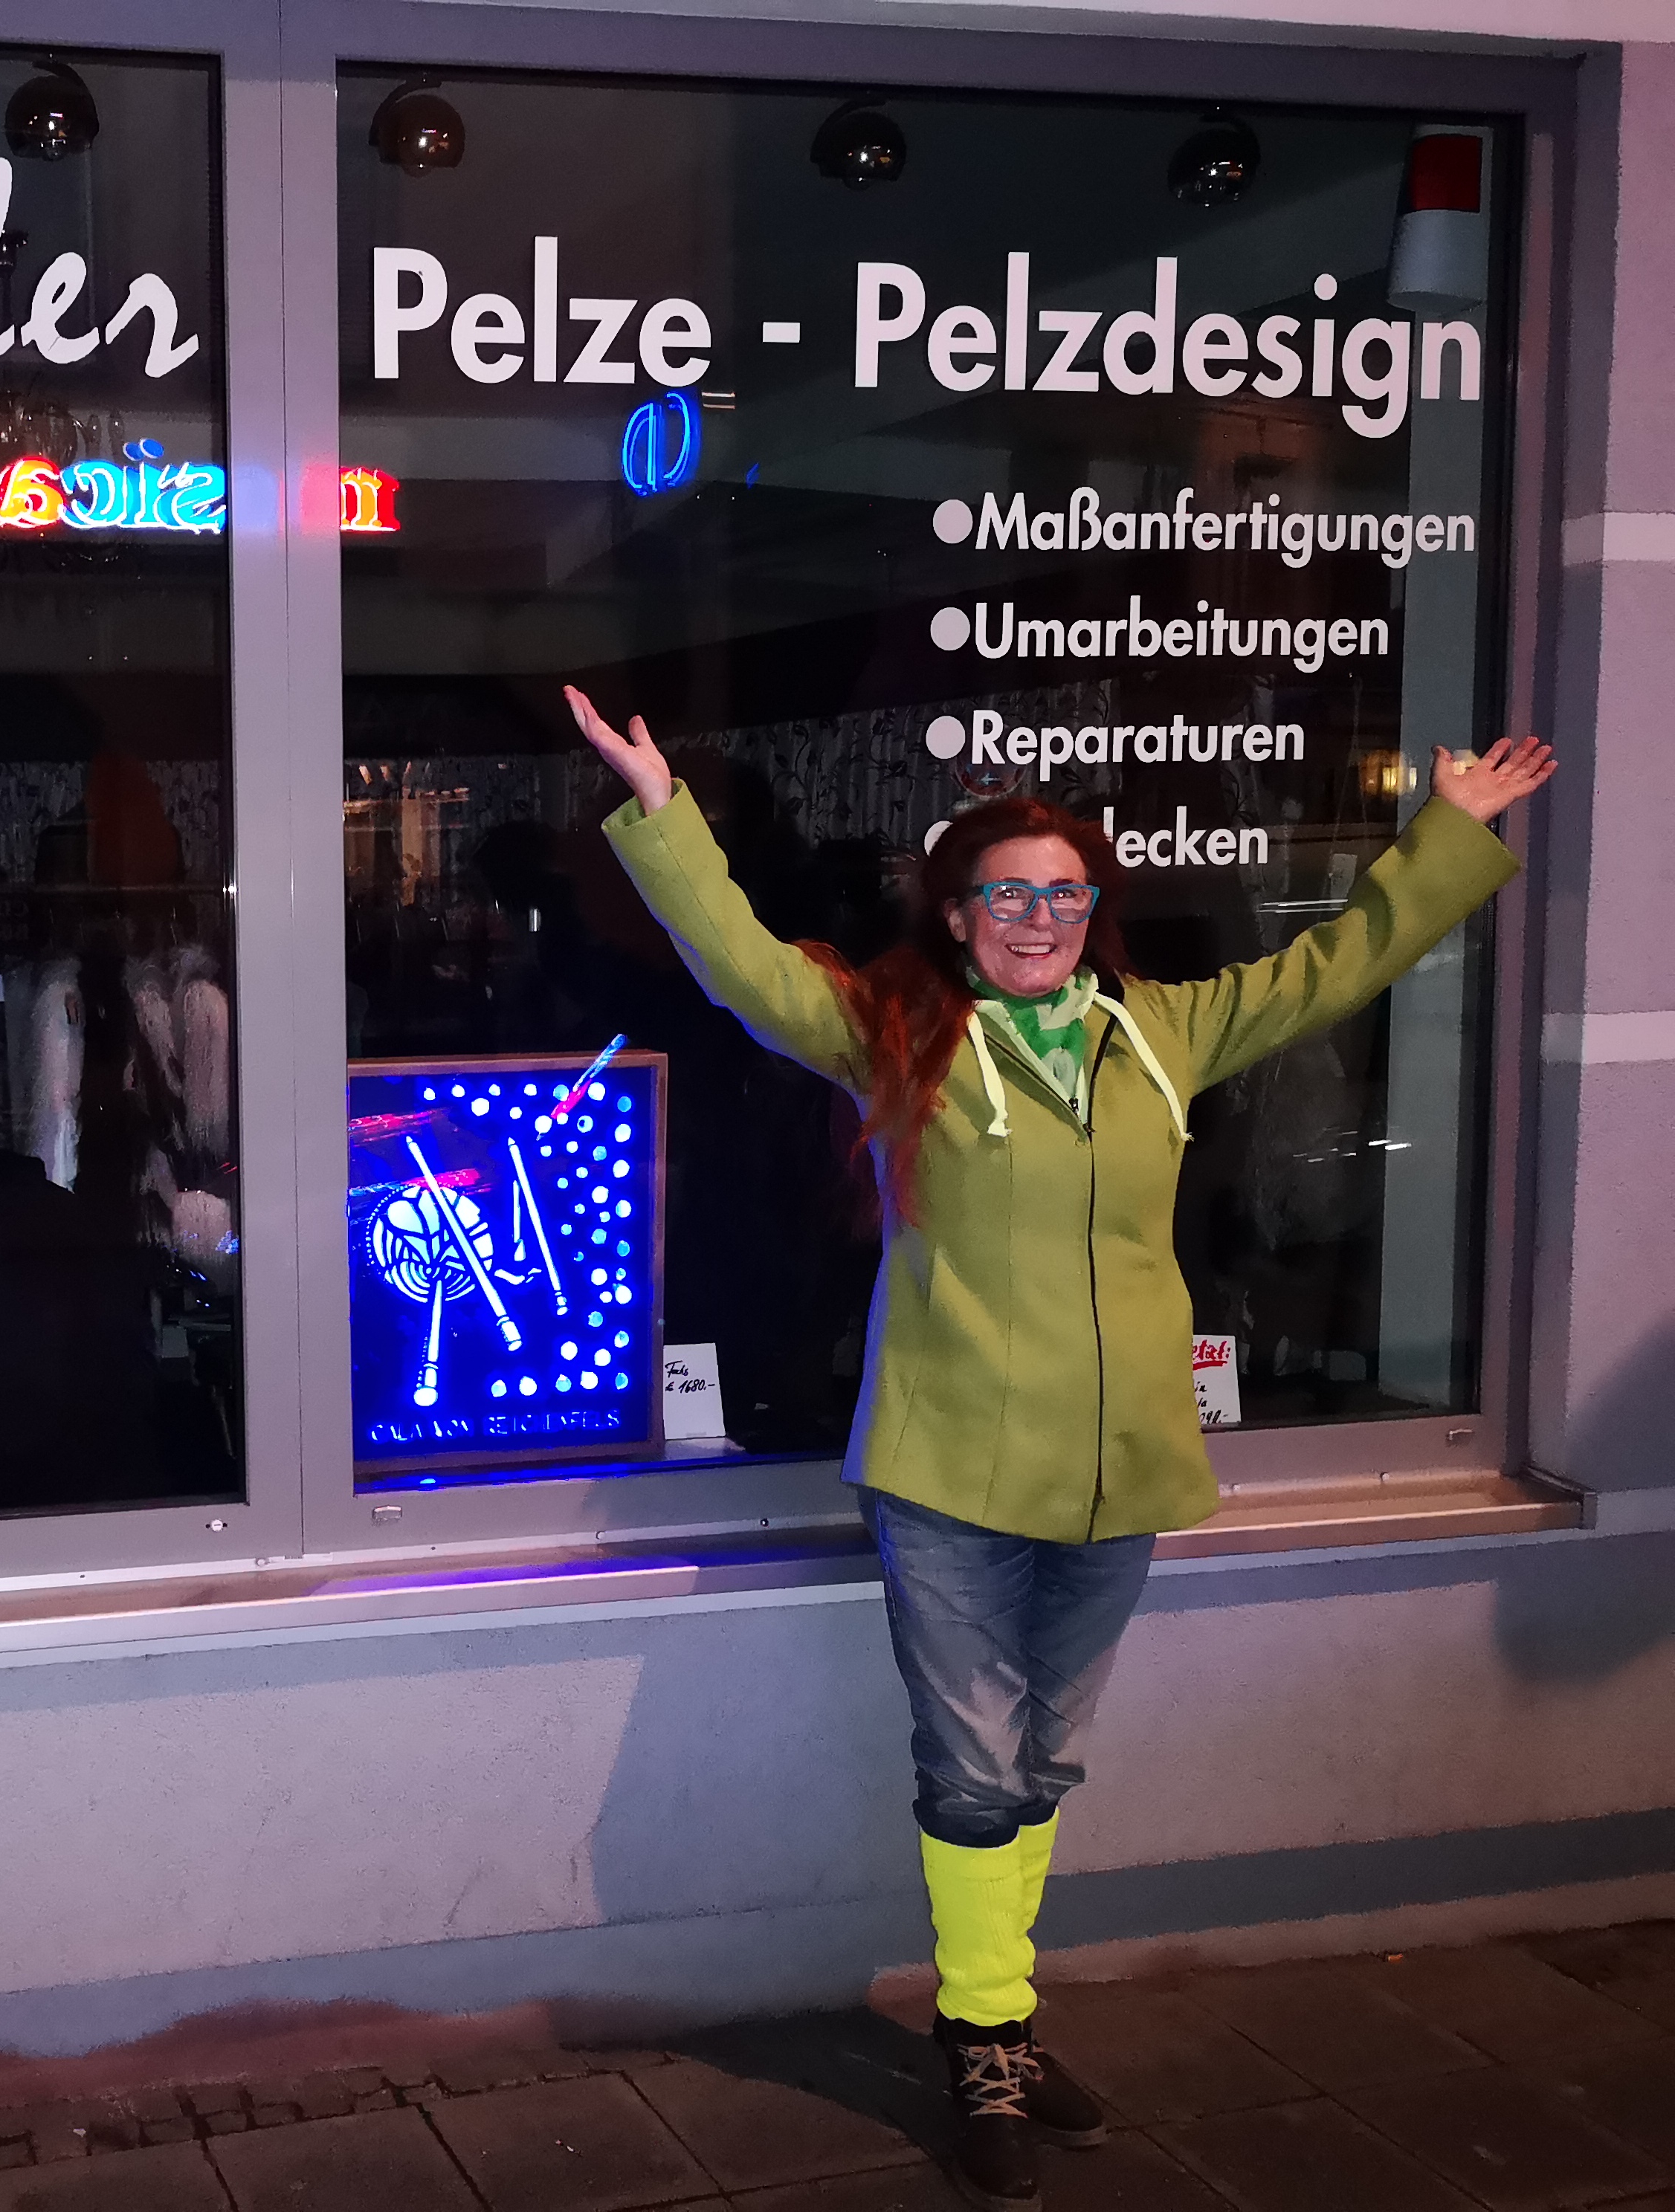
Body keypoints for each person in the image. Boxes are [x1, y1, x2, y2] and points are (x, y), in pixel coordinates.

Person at [566, 685, 1553, 2212]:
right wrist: (661, 814)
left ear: (1093, 915)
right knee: (973, 1772)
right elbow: (744, 968)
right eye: (1007, 895)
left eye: (1063, 895)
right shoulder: (897, 1032)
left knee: (1041, 1761)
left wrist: (1444, 836)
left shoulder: (1157, 1032)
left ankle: (1004, 2020)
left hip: (1118, 1471)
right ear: (957, 915)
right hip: (950, 1474)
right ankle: (984, 2040)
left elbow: (1337, 964)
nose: (1036, 918)